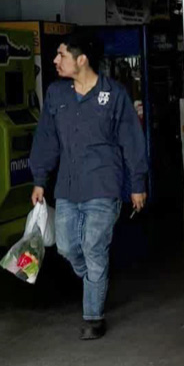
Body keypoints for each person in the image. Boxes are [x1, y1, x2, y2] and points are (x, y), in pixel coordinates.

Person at [29, 32, 148, 340]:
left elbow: (132, 142)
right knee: (68, 246)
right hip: (67, 187)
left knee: (94, 248)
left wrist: (137, 184)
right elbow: (46, 139)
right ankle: (95, 280)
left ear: (81, 60)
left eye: (61, 55)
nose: (55, 61)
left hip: (104, 184)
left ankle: (93, 317)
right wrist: (40, 179)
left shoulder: (114, 94)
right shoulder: (57, 95)